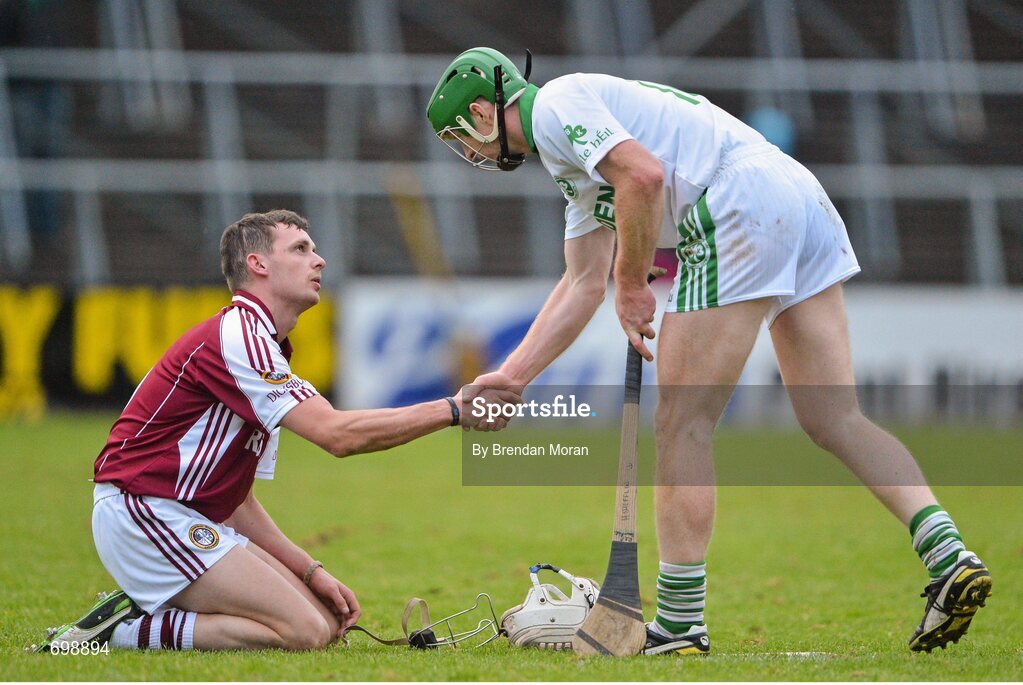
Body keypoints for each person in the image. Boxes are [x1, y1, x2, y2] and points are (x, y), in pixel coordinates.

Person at [426, 48, 991, 655]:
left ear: (484, 113)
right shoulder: (574, 165)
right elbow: (582, 282)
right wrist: (512, 377)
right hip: (795, 194)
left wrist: (633, 281)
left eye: (464, 138)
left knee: (681, 425)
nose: (471, 153)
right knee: (834, 416)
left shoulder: (559, 106)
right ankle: (948, 554)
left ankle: (678, 625)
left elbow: (642, 177)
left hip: (736, 201)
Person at [31, 209, 519, 653]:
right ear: (258, 264)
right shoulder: (239, 335)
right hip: (144, 509)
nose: (320, 260)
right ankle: (120, 631)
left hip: (179, 515)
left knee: (325, 623)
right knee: (302, 634)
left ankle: (156, 608)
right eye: (301, 249)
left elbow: (239, 501)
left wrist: (311, 570)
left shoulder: (265, 344)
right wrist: (454, 410)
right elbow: (338, 435)